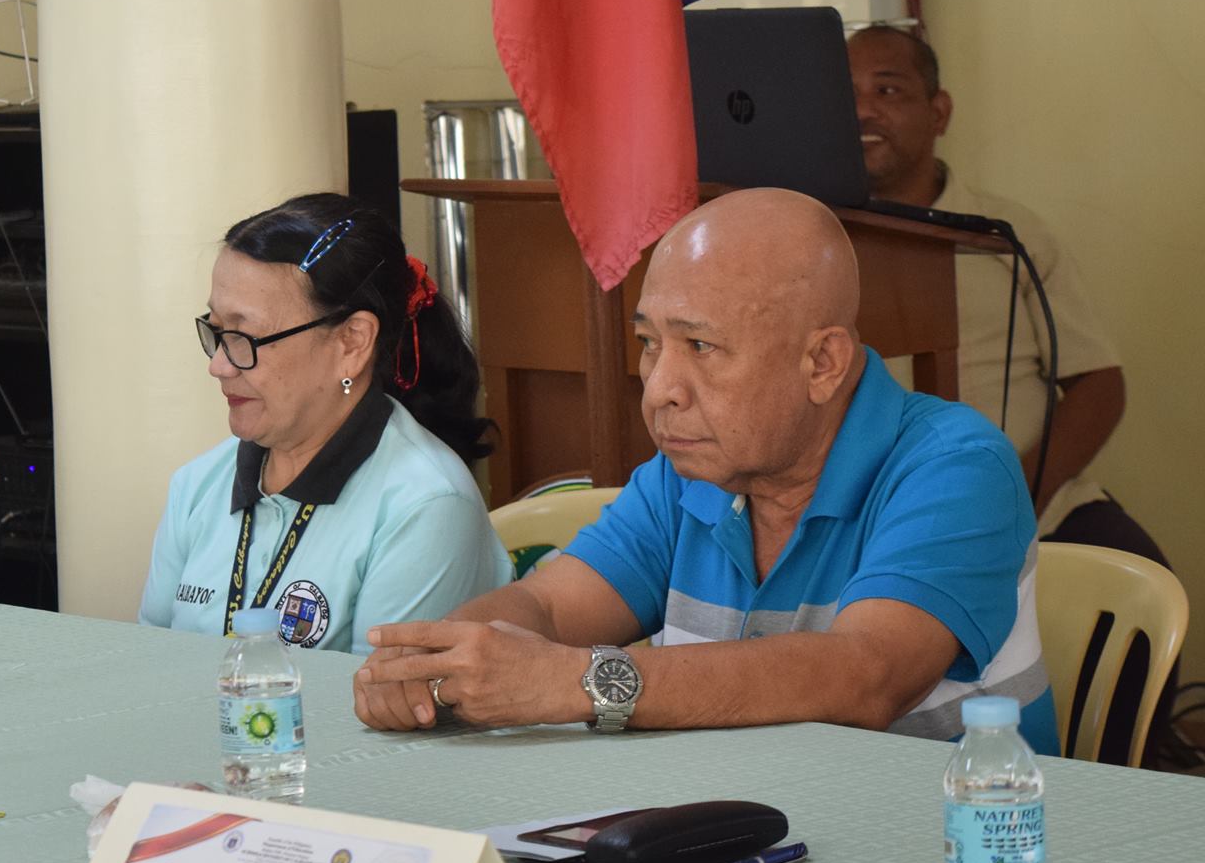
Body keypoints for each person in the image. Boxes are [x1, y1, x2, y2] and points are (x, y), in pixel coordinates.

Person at [354, 188, 1058, 753]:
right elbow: (548, 607)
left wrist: (582, 682)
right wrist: (443, 667)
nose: (659, 387)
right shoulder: (689, 471)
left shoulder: (956, 468)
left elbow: (865, 674)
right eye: (649, 343)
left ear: (823, 362)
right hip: (745, 837)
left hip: (955, 860)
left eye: (701, 344)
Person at [850, 22, 1172, 763]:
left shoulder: (1008, 235)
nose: (864, 109)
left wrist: (1019, 491)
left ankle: (1122, 788)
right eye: (846, 94)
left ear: (939, 111)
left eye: (888, 90)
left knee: (1141, 589)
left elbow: (1098, 382)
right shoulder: (809, 243)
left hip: (1035, 497)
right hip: (886, 520)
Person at [139, 194, 510, 655]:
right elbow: (149, 660)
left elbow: (385, 706)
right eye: (215, 332)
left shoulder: (426, 505)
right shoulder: (197, 486)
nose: (219, 366)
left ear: (352, 341)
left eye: (243, 337)